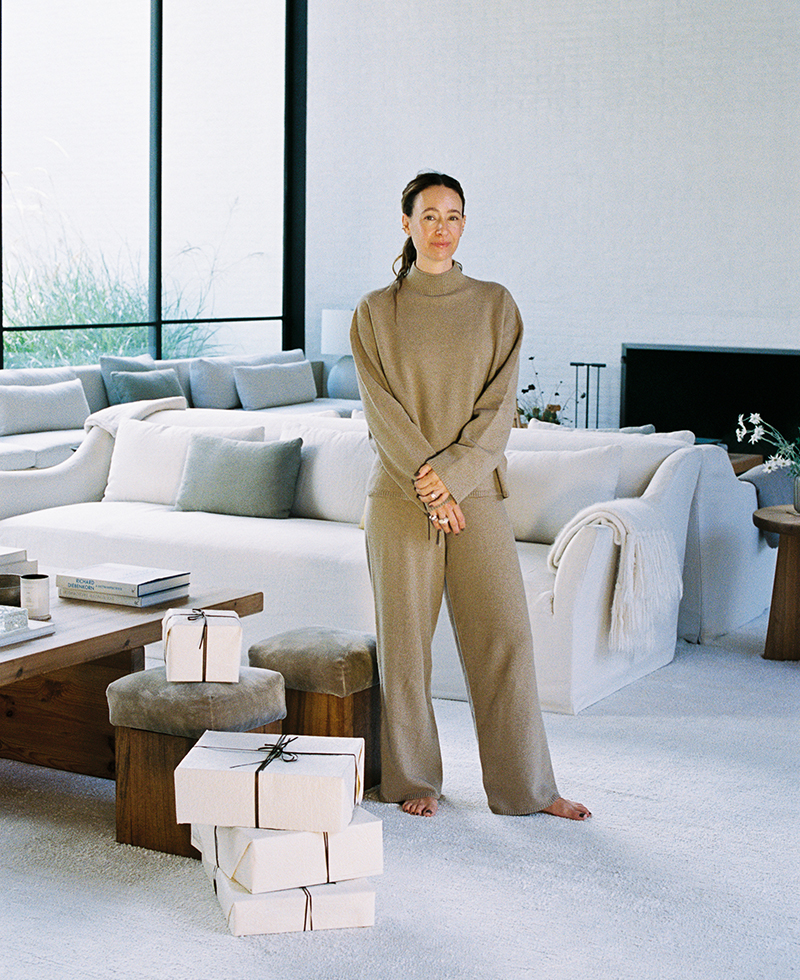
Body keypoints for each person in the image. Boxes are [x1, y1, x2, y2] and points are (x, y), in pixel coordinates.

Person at [350, 171, 590, 821]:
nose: (442, 227)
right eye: (429, 215)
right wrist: (431, 487)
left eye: (453, 216)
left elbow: (498, 410)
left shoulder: (495, 305)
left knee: (505, 639)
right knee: (405, 649)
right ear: (406, 223)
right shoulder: (375, 312)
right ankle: (413, 780)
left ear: (464, 224)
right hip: (399, 498)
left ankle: (528, 789)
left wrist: (451, 481)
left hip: (475, 495)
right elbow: (382, 413)